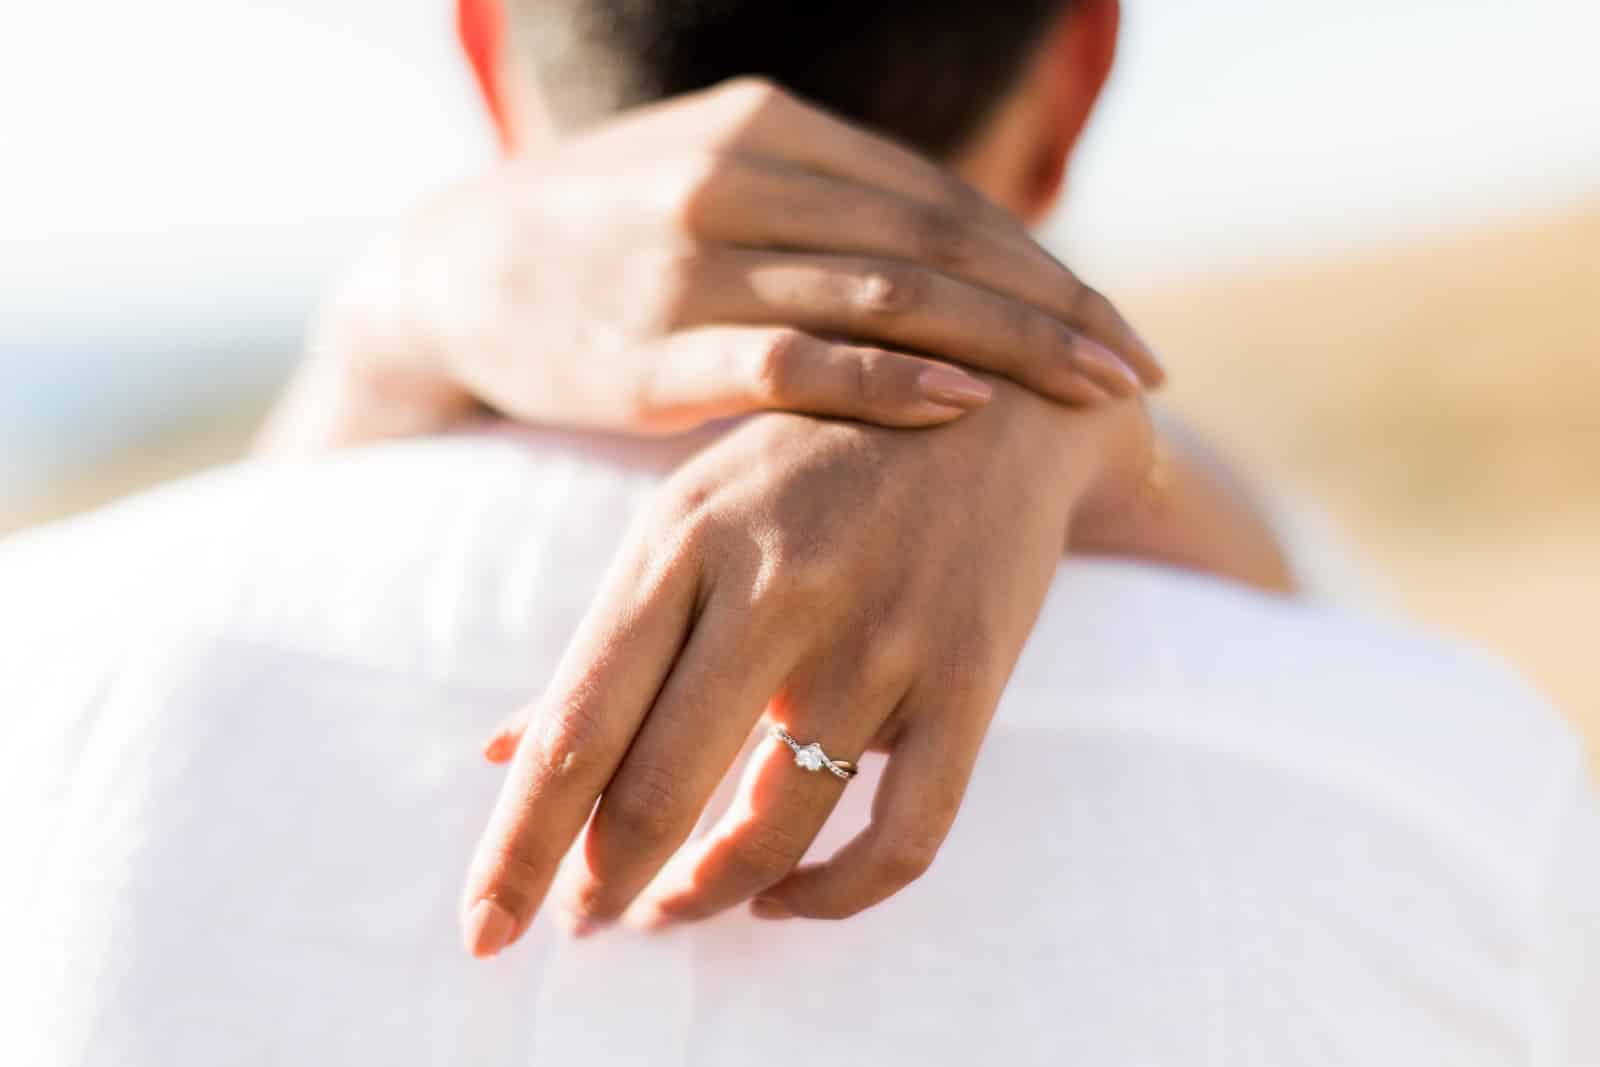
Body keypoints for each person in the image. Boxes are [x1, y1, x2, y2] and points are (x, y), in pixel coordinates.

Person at [2, 2, 1595, 1065]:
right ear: (1082, 70)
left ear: (485, 49)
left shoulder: (45, 665)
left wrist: (388, 317)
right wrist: (1065, 408)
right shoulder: (1453, 775)